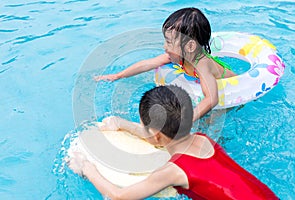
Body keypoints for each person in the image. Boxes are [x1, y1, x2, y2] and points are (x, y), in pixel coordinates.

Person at [69, 85, 278, 200]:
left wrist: (87, 168)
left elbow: (118, 196)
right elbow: (161, 140)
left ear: (156, 134)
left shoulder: (172, 171)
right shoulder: (202, 139)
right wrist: (123, 125)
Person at [94, 7, 236, 122]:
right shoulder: (178, 56)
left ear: (190, 47)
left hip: (231, 94)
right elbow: (147, 64)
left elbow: (212, 98)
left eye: (168, 42)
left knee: (209, 121)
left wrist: (187, 121)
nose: (164, 46)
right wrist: (118, 75)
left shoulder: (202, 65)